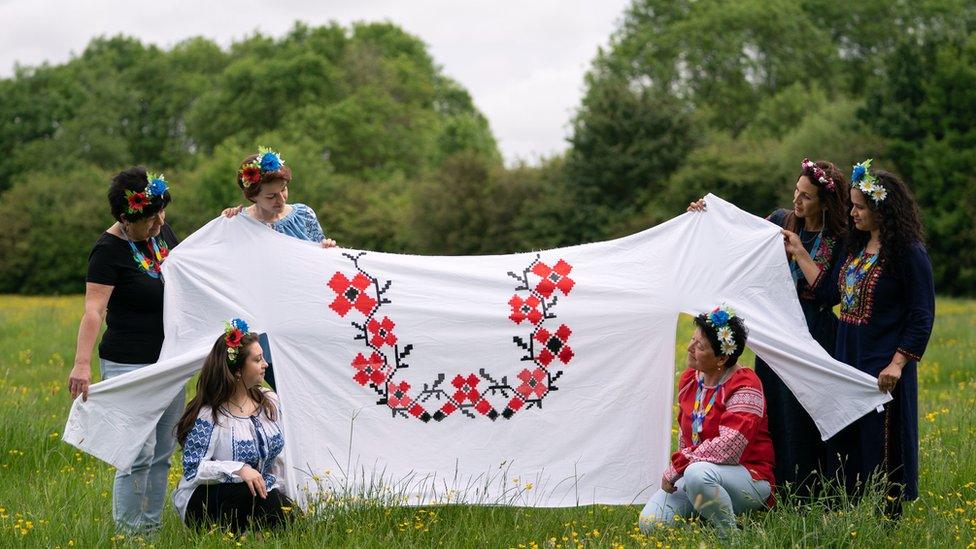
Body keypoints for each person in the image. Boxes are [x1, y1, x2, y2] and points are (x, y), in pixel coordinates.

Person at [788, 160, 934, 516]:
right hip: (846, 361)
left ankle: (885, 519)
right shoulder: (854, 249)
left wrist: (898, 364)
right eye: (851, 204)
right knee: (847, 442)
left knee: (881, 442)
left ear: (882, 209)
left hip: (881, 367)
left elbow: (921, 314)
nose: (852, 212)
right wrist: (798, 250)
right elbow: (825, 290)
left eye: (860, 206)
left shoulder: (908, 254)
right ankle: (849, 512)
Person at [67, 167, 181, 532]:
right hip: (128, 363)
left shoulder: (163, 234)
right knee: (137, 453)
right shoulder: (107, 250)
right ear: (124, 218)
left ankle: (152, 528)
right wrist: (81, 364)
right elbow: (93, 310)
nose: (159, 222)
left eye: (161, 212)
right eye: (150, 217)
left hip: (169, 362)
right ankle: (130, 534)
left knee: (163, 452)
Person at [639, 306, 774, 537]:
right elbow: (685, 438)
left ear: (722, 358)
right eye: (692, 340)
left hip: (747, 478)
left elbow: (730, 448)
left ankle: (729, 536)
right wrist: (683, 467)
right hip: (700, 475)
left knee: (696, 475)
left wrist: (679, 466)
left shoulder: (746, 386)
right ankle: (707, 515)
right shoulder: (690, 381)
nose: (690, 348)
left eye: (699, 346)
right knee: (651, 523)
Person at [758, 158, 849, 497]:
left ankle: (809, 490)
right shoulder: (780, 221)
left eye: (807, 196)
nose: (797, 200)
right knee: (774, 405)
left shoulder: (840, 238)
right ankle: (772, 487)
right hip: (777, 329)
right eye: (797, 191)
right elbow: (737, 236)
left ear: (825, 203)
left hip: (815, 332)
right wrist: (705, 212)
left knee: (804, 410)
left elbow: (830, 294)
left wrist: (798, 251)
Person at [222, 147, 337, 390]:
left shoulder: (304, 215)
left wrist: (327, 250)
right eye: (271, 196)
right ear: (252, 195)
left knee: (317, 388)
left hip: (306, 318)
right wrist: (227, 223)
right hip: (266, 323)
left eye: (283, 190)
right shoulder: (239, 224)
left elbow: (321, 267)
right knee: (286, 390)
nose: (281, 199)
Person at [173, 319, 292, 532]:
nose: (265, 364)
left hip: (261, 493)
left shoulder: (269, 401)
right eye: (257, 360)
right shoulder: (211, 414)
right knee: (248, 492)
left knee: (288, 516)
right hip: (207, 499)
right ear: (238, 370)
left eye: (263, 357)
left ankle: (260, 531)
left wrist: (285, 495)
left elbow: (279, 461)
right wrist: (238, 469)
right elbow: (193, 469)